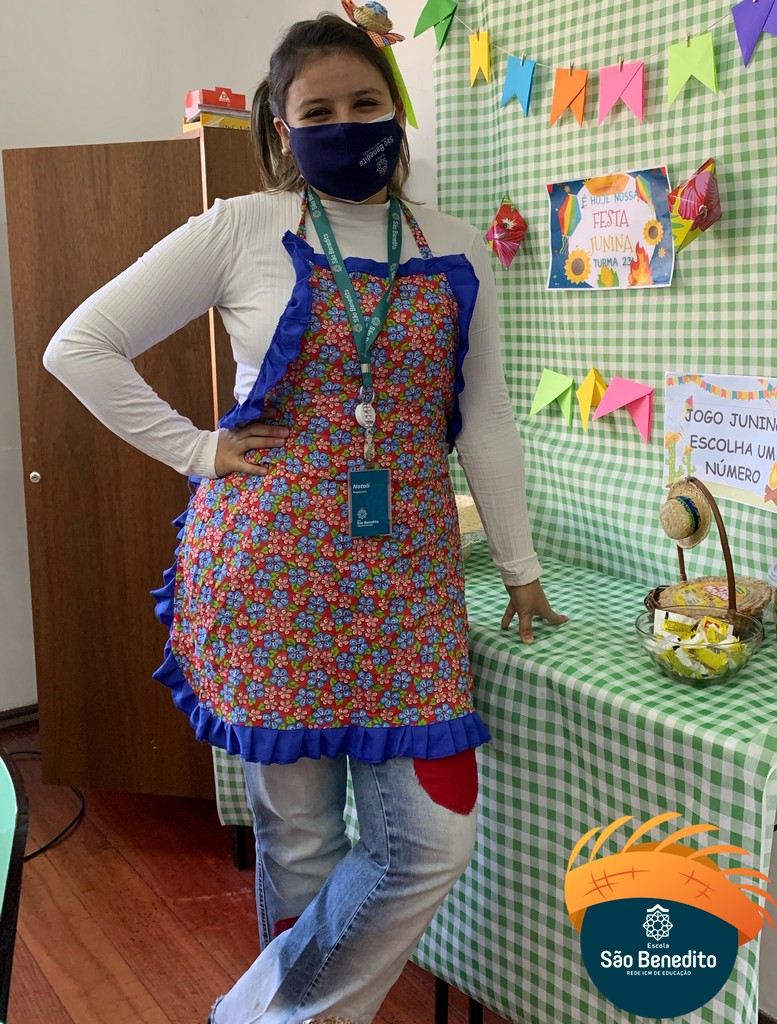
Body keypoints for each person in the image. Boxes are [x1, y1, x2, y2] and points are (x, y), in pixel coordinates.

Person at [43, 10, 566, 1024]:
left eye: (365, 102)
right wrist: (199, 449)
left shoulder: (457, 245)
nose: (345, 123)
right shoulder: (242, 227)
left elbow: (487, 415)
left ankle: (255, 1017)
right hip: (269, 581)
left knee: (433, 838)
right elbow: (81, 345)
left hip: (408, 584)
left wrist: (520, 566)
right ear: (281, 128)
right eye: (316, 111)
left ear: (396, 111)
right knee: (300, 839)